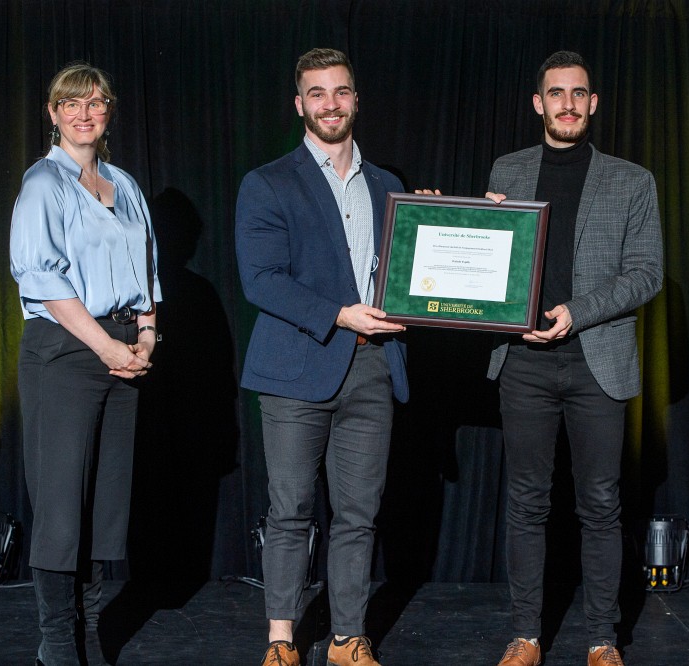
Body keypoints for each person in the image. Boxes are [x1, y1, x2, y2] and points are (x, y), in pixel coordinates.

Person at [486, 51, 663, 666]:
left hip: (597, 360)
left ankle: (601, 639)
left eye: (578, 94)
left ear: (593, 103)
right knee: (527, 501)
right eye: (555, 93)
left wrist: (576, 312)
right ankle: (526, 635)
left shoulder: (632, 180)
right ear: (538, 103)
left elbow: (647, 275)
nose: (567, 103)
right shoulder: (507, 169)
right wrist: (441, 221)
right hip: (524, 361)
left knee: (601, 503)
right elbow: (486, 258)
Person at [235, 48, 408, 666]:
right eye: (317, 93)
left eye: (340, 91)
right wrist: (338, 314)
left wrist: (451, 224)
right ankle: (281, 642)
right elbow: (261, 280)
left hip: (372, 364)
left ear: (356, 100)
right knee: (291, 510)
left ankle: (346, 639)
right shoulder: (268, 182)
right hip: (295, 366)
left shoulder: (389, 185)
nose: (330, 103)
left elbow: (411, 272)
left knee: (358, 514)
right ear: (300, 103)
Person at [10, 62, 161, 665]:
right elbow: (40, 276)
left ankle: (89, 628)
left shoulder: (124, 185)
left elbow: (147, 270)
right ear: (53, 113)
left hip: (125, 348)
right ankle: (56, 642)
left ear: (109, 111)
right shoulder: (44, 183)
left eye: (95, 102)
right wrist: (105, 346)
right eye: (70, 103)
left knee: (105, 504)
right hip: (67, 350)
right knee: (61, 501)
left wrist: (146, 339)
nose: (83, 112)